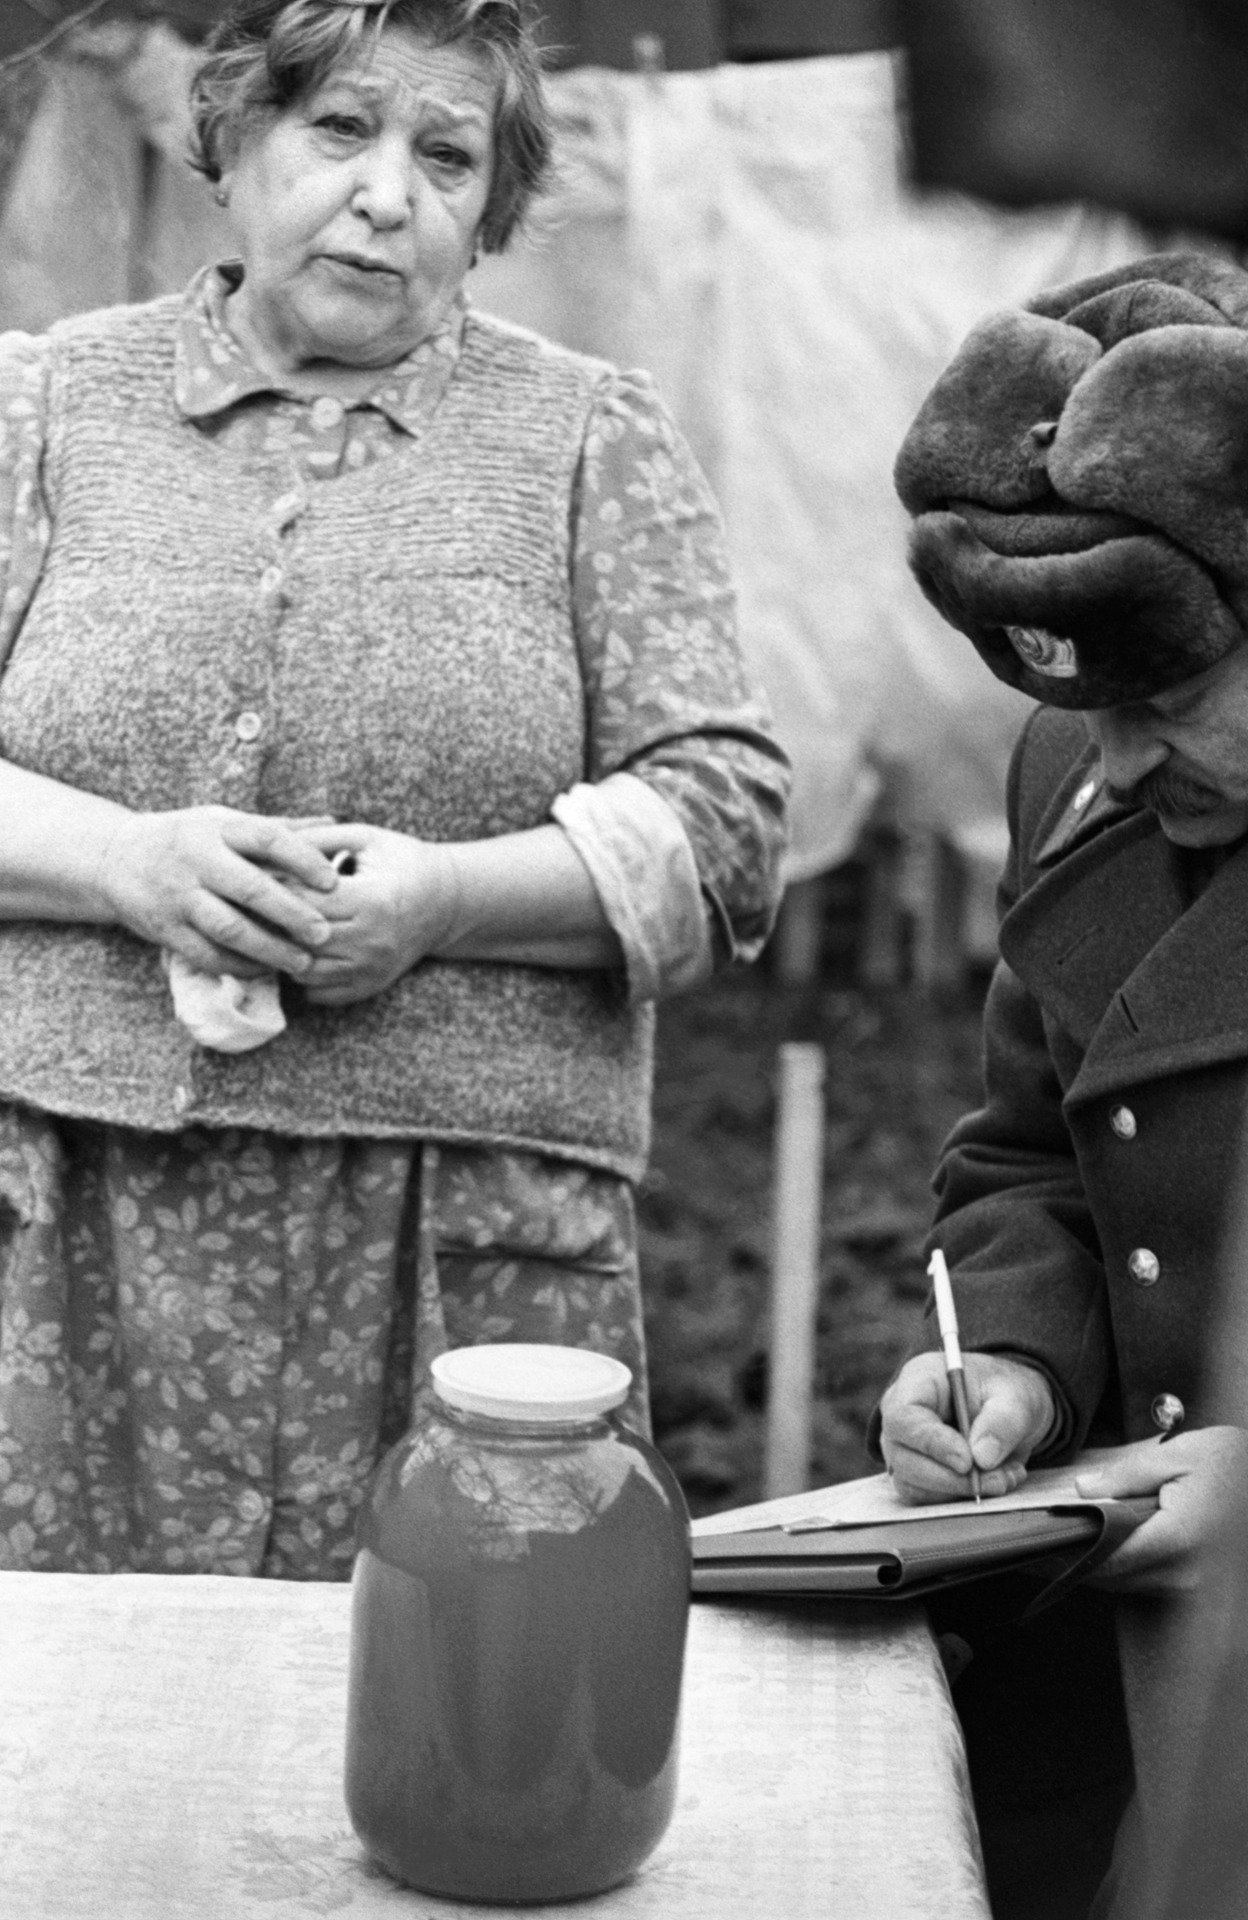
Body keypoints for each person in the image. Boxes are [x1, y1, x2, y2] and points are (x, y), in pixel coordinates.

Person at [0, 0, 789, 1580]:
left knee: (451, 1719)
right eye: (341, 130)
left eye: (448, 157)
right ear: (231, 141)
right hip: (72, 1220)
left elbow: (724, 828)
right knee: (73, 1750)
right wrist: (126, 863)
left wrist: (442, 901)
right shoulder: (41, 408)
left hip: (468, 1255)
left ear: (489, 216)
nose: (387, 193)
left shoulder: (587, 439)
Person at [880, 250, 1248, 1917]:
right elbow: (1036, 1161)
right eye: (1074, 705)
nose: (1102, 765)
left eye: (1163, 700)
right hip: (1134, 1683)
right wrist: (1014, 1365)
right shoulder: (1085, 767)